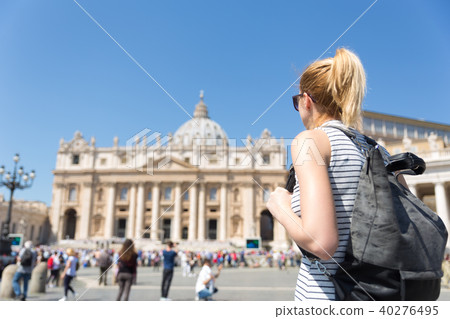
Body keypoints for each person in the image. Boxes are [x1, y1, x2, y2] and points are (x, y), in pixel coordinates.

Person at [266, 48, 406, 301]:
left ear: (306, 100)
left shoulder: (310, 141)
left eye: (295, 101)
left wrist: (279, 206)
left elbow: (322, 243)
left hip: (329, 297)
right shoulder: (382, 153)